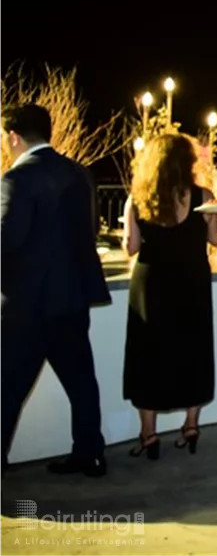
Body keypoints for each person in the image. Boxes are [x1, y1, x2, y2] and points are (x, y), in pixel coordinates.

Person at [0, 104, 110, 492]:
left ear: (14, 136)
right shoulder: (77, 174)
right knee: (81, 381)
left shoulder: (16, 178)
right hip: (71, 298)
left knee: (7, 388)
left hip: (28, 304)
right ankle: (90, 453)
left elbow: (7, 241)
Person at [122, 134, 217, 459]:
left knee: (147, 353)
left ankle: (149, 434)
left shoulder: (138, 199)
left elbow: (131, 247)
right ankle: (191, 425)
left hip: (151, 284)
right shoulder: (204, 196)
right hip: (191, 281)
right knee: (193, 347)